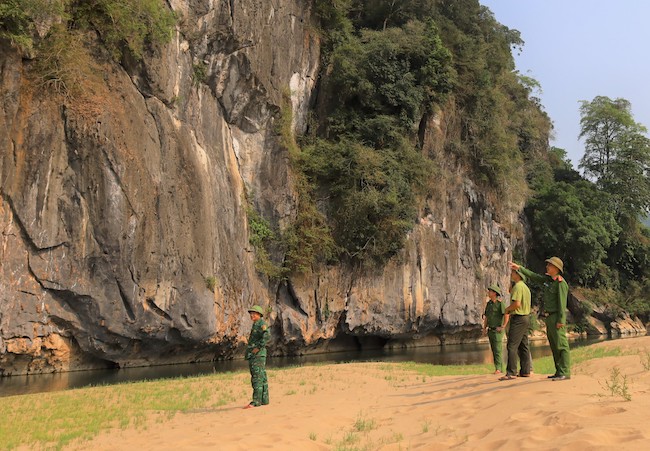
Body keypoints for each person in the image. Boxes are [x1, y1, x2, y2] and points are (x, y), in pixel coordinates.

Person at [510, 257, 571, 381]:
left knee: (561, 345)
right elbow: (534, 276)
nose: (547, 267)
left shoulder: (560, 283)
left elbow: (562, 303)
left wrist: (561, 320)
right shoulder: (549, 280)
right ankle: (559, 371)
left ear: (556, 268)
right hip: (549, 317)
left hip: (556, 317)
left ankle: (565, 371)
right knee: (554, 345)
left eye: (549, 265)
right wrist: (520, 268)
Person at [499, 268, 532, 381]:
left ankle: (511, 372)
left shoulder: (517, 286)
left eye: (513, 272)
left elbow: (517, 304)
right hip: (526, 317)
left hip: (518, 317)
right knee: (523, 345)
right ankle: (525, 371)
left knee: (512, 345)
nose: (511, 274)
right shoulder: (525, 287)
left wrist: (507, 310)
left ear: (518, 275)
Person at [244, 305, 270, 408]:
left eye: (254, 313)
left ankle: (256, 401)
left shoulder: (261, 324)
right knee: (262, 377)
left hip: (258, 355)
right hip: (256, 354)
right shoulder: (256, 324)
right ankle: (264, 399)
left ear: (259, 314)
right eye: (251, 313)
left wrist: (258, 347)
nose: (252, 315)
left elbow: (267, 335)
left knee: (257, 378)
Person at [482, 284, 509, 375]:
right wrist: (484, 328)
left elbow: (506, 314)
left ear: (494, 293)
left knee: (498, 349)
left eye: (490, 291)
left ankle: (499, 368)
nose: (488, 292)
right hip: (491, 329)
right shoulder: (489, 304)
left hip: (498, 330)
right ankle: (499, 368)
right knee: (494, 349)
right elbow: (486, 317)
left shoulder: (500, 304)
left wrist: (503, 326)